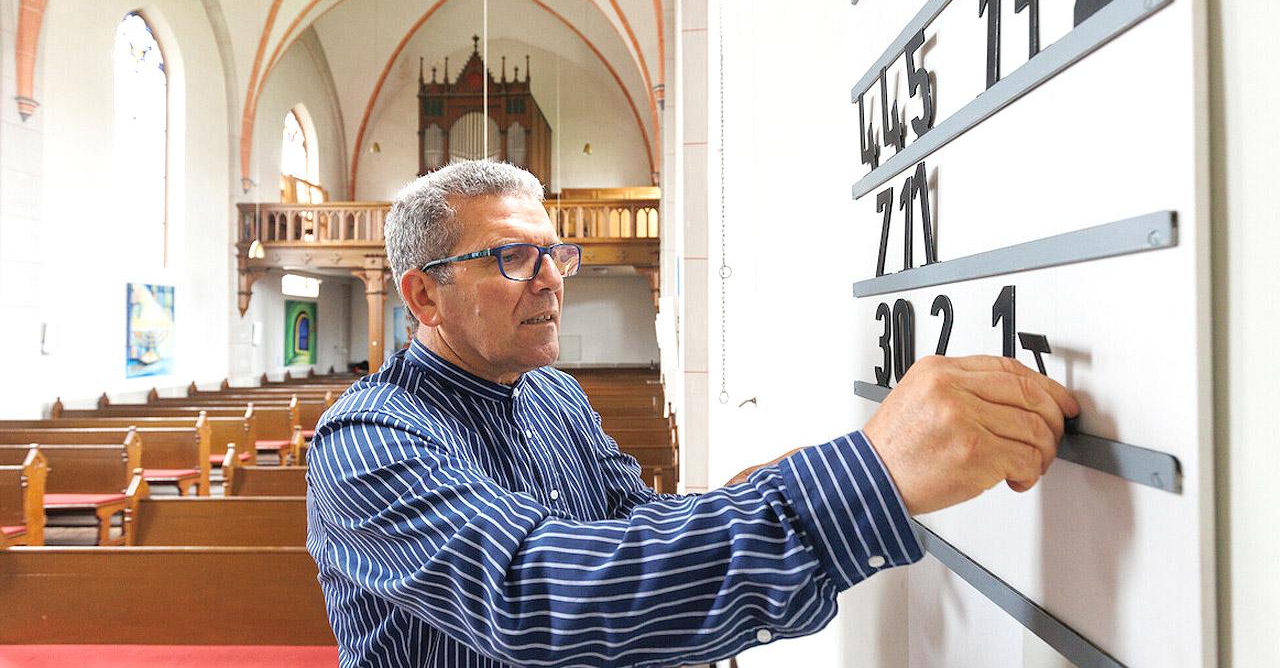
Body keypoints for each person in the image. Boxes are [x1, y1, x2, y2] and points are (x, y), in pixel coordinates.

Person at [305, 160, 1078, 668]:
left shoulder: (552, 394)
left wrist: (757, 486)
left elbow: (629, 520)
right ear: (422, 295)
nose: (550, 280)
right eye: (513, 257)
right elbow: (536, 593)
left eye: (555, 253)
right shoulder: (370, 440)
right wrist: (867, 478)